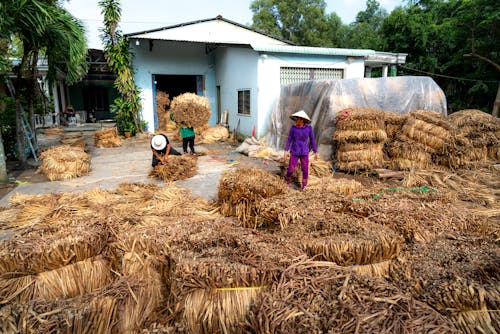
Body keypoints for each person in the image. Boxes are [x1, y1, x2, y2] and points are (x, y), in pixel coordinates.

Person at [283, 110, 318, 190]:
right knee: (291, 169)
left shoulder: (308, 129)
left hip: (304, 152)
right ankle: (287, 179)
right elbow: (289, 139)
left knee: (305, 170)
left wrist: (315, 151)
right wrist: (286, 150)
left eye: (298, 119)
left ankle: (304, 185)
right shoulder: (293, 128)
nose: (296, 121)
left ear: (302, 120)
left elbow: (312, 140)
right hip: (294, 152)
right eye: (296, 119)